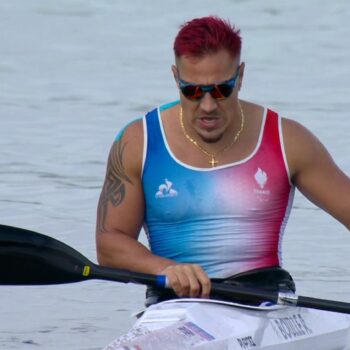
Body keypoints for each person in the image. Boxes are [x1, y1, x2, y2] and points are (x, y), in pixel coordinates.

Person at [95, 16, 350, 305]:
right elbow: (109, 244)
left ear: (240, 76)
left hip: (263, 301)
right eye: (191, 91)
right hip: (174, 305)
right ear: (174, 77)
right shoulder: (136, 142)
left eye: (221, 90)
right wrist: (164, 268)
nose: (207, 106)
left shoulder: (287, 140)